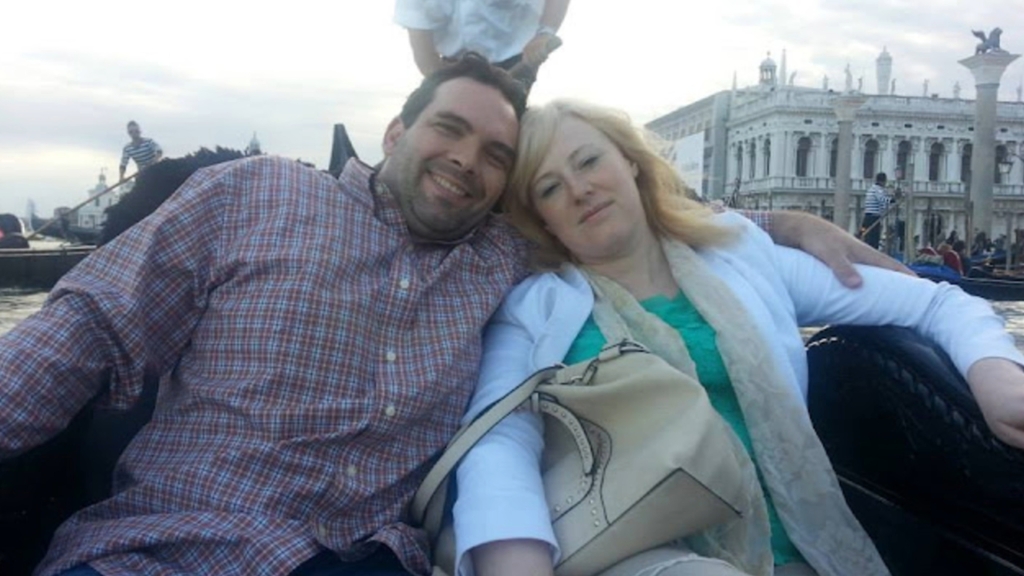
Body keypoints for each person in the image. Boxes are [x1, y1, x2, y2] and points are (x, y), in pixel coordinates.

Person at [0, 56, 906, 576]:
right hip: (172, 548)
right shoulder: (252, 193)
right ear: (397, 135)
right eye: (449, 131)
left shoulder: (500, 258)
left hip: (366, 561)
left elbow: (624, 210)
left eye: (496, 155)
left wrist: (785, 222)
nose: (467, 161)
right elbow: (86, 325)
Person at [452, 100, 1024, 576]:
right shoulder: (536, 309)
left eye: (589, 161)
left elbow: (935, 300)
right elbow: (498, 440)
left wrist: (995, 374)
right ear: (542, 219)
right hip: (637, 551)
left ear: (630, 163)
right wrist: (516, 563)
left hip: (799, 549)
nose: (579, 190)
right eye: (550, 188)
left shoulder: (738, 254)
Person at [394, 0, 570, 91]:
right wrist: (443, 83)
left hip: (519, 58)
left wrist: (546, 32)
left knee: (504, 127)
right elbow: (424, 54)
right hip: (452, 65)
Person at [858, 172, 892, 250]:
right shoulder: (878, 190)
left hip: (867, 216)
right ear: (883, 181)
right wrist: (893, 200)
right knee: (873, 238)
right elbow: (883, 200)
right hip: (874, 217)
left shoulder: (871, 189)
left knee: (866, 234)